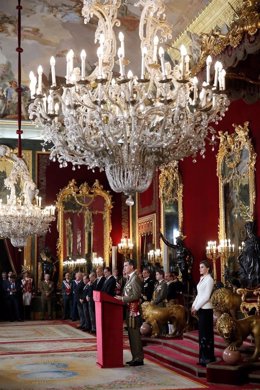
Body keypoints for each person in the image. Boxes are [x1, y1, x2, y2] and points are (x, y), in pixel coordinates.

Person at [115, 259, 144, 366]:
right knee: (131, 335)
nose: (124, 268)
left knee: (135, 335)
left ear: (132, 266)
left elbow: (136, 295)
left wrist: (122, 299)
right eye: (124, 266)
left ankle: (139, 358)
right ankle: (134, 357)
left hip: (134, 311)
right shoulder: (129, 278)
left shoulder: (135, 278)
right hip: (129, 310)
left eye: (126, 265)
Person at [191, 260, 215, 367]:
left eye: (202, 267)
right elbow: (198, 295)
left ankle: (208, 358)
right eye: (199, 267)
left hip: (206, 309)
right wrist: (193, 305)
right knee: (202, 334)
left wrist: (196, 307)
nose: (200, 269)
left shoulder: (209, 280)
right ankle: (202, 357)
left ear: (207, 268)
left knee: (206, 334)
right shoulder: (202, 279)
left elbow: (206, 297)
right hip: (201, 308)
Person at [238, 221, 260, 288]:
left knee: (252, 270)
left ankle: (252, 281)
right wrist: (240, 255)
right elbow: (244, 250)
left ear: (252, 229)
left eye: (249, 229)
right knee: (241, 262)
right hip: (246, 257)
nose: (248, 230)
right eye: (247, 229)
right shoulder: (246, 240)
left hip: (253, 258)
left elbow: (258, 250)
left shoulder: (255, 239)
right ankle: (247, 281)